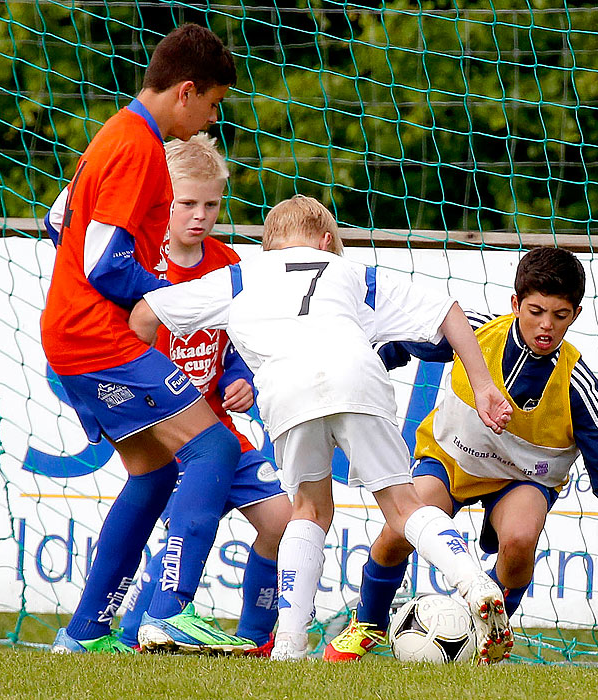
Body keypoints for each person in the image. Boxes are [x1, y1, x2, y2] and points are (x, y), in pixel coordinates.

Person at [129, 195, 516, 664]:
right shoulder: (352, 274)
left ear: (269, 246)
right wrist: (483, 385)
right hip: (356, 374)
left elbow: (145, 315)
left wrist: (151, 404)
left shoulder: (243, 275)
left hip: (286, 390)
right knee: (402, 504)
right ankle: (473, 582)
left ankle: (289, 646)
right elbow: (448, 312)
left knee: (308, 510)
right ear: (327, 241)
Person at [322, 246, 598, 662]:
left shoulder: (578, 384)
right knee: (398, 533)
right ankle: (367, 627)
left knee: (519, 542)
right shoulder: (475, 332)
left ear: (575, 314)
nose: (546, 326)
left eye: (560, 315)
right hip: (451, 460)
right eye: (536, 311)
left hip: (524, 478)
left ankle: (483, 640)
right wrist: (358, 377)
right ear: (515, 304)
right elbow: (401, 343)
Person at [44, 24, 254, 654]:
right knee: (214, 448)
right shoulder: (139, 146)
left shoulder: (114, 134)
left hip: (75, 334)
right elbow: (105, 259)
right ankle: (168, 615)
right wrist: (167, 294)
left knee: (156, 470)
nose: (210, 116)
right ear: (186, 91)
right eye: (213, 103)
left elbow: (57, 220)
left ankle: (83, 635)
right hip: (98, 340)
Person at [111, 134, 291, 656]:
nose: (199, 215)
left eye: (210, 204)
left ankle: (255, 639)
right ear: (161, 201)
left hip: (219, 427)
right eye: (186, 203)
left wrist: (242, 377)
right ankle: (138, 632)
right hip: (166, 430)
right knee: (185, 528)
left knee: (280, 521)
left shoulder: (228, 262)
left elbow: (237, 343)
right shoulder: (142, 263)